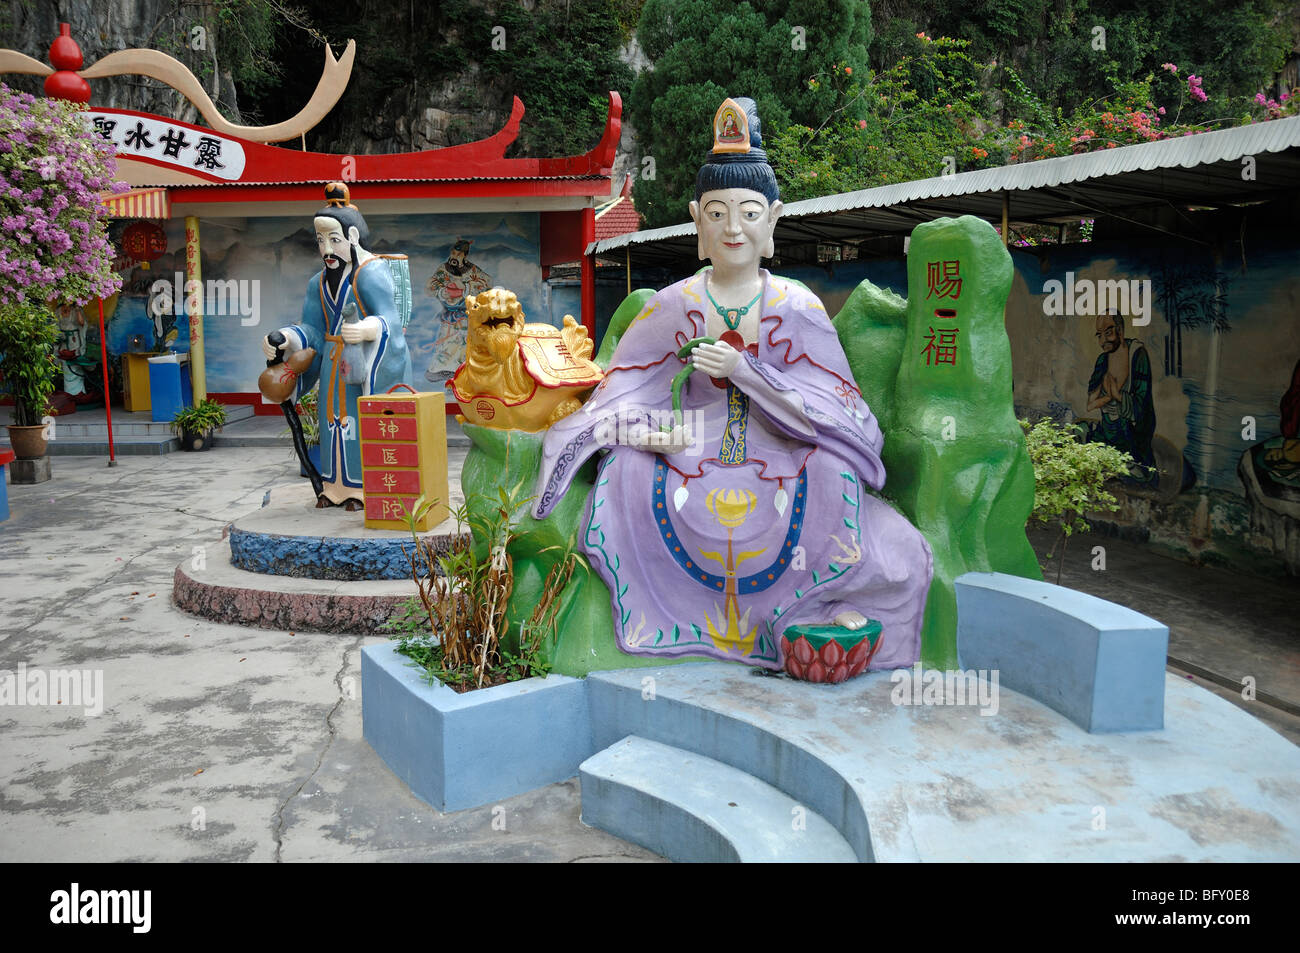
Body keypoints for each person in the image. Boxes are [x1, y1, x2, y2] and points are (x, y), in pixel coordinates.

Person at [532, 97, 932, 671]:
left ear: (772, 220)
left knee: (832, 471)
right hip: (689, 446)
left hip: (780, 449)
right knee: (623, 470)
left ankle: (805, 608)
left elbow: (836, 403)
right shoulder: (677, 305)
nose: (732, 229)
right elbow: (624, 389)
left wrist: (747, 373)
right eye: (717, 214)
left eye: (748, 212)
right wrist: (651, 432)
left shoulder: (796, 304)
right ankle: (677, 621)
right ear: (697, 220)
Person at [262, 183, 413, 509]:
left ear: (354, 239)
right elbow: (313, 329)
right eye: (320, 241)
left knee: (356, 423)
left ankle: (364, 488)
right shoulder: (317, 283)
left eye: (334, 240)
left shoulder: (371, 273)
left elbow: (389, 318)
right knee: (331, 424)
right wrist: (287, 338)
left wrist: (369, 329)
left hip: (361, 364)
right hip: (332, 362)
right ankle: (333, 487)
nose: (326, 249)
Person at [1086, 309, 1156, 483]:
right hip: (1108, 431)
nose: (1102, 341)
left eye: (1108, 333)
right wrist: (1107, 398)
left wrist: (1118, 396)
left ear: (1120, 330)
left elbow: (1141, 408)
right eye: (1099, 335)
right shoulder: (1103, 360)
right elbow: (1091, 401)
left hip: (1132, 434)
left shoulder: (1137, 355)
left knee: (1139, 473)